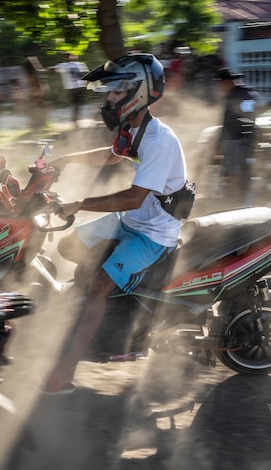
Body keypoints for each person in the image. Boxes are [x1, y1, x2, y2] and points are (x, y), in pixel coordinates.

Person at [41, 53, 188, 395]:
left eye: (116, 92)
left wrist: (79, 204)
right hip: (132, 222)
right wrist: (63, 161)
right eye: (109, 91)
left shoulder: (158, 141)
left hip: (153, 234)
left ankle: (64, 372)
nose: (109, 97)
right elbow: (110, 154)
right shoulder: (134, 129)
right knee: (68, 246)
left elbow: (134, 198)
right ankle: (82, 316)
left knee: (98, 286)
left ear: (139, 92)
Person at [213, 67, 259, 206]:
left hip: (233, 140)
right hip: (249, 140)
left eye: (220, 84)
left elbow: (226, 123)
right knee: (245, 174)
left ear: (226, 82)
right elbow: (253, 117)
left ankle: (233, 205)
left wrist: (218, 147)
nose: (219, 88)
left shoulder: (231, 97)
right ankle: (246, 201)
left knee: (233, 175)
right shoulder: (251, 93)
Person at [50, 52, 89, 126]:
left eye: (69, 56)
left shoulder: (80, 64)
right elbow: (53, 68)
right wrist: (41, 70)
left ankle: (75, 118)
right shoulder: (63, 65)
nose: (68, 58)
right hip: (72, 87)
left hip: (80, 87)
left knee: (79, 104)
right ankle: (75, 119)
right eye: (66, 57)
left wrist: (85, 85)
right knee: (75, 104)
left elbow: (85, 75)